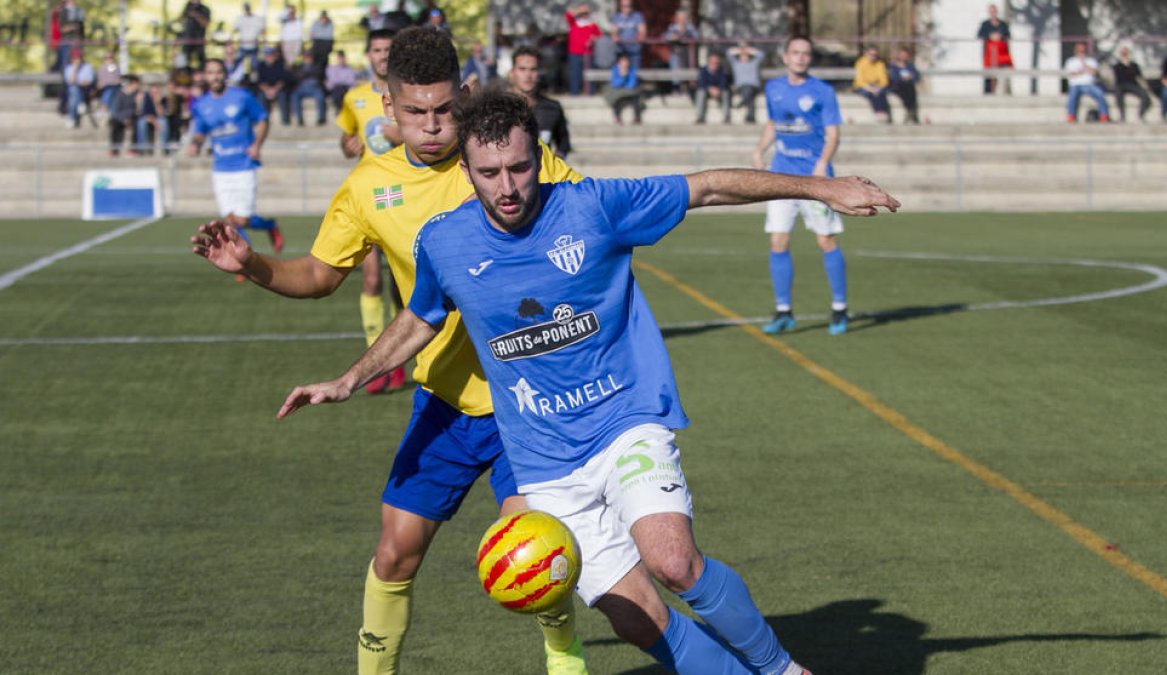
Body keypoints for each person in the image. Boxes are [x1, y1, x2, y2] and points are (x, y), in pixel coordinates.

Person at [277, 89, 899, 675]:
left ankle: (781, 669)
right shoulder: (444, 242)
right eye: (490, 174)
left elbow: (706, 187)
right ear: (466, 173)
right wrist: (349, 379)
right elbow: (420, 318)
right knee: (636, 617)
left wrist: (822, 187)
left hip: (623, 421)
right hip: (544, 463)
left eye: (520, 169)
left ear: (538, 161)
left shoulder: (593, 206)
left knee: (673, 562)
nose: (508, 188)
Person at [190, 27, 590, 675]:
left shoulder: (508, 160)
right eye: (415, 112)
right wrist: (254, 264)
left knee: (533, 548)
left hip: (530, 400)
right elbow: (321, 275)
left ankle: (565, 654)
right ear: (388, 106)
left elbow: (588, 220)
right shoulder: (369, 185)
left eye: (444, 109)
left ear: (464, 95)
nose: (433, 126)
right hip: (446, 399)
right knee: (393, 554)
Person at [753, 35, 848, 336]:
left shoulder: (822, 92)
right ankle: (784, 312)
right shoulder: (774, 88)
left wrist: (822, 163)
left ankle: (839, 308)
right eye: (795, 52)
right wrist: (760, 149)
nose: (800, 58)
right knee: (778, 242)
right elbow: (773, 123)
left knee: (825, 241)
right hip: (780, 175)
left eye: (806, 53)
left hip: (815, 179)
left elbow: (833, 134)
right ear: (785, 57)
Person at [336, 28, 407, 395]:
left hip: (403, 199)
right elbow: (347, 140)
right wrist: (347, 147)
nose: (382, 55)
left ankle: (399, 358)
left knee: (402, 286)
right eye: (377, 49)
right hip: (368, 198)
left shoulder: (406, 94)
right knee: (371, 280)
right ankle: (375, 362)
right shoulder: (355, 97)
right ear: (369, 55)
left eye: (388, 49)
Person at [188, 59, 284, 256]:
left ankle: (270, 226)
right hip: (220, 169)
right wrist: (195, 144)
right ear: (205, 77)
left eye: (218, 72)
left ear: (225, 74)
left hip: (244, 165)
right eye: (210, 72)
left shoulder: (241, 97)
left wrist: (257, 144)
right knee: (230, 221)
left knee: (241, 220)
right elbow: (199, 131)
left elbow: (263, 119)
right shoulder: (202, 104)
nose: (215, 76)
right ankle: (245, 261)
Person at [508, 45, 572, 161]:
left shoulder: (553, 108)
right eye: (522, 69)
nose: (528, 75)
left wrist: (556, 162)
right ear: (512, 73)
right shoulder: (499, 108)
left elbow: (564, 144)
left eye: (533, 69)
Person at [1064, 42, 1109, 123]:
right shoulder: (1071, 61)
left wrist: (1084, 64)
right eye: (1079, 50)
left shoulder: (1091, 60)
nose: (1081, 52)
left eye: (1083, 50)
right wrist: (1082, 71)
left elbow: (1094, 72)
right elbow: (1071, 74)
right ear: (1076, 51)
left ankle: (1104, 115)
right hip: (1075, 84)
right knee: (1072, 97)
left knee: (1100, 93)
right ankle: (1071, 116)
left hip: (1089, 84)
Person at [564, 4, 601, 96]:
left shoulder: (592, 25)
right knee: (575, 75)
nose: (584, 15)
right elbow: (568, 14)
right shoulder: (574, 22)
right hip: (574, 53)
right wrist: (580, 10)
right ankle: (574, 94)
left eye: (586, 13)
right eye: (582, 13)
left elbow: (599, 36)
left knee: (589, 76)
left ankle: (590, 94)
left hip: (588, 54)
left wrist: (593, 39)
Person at [976, 3, 1010, 94]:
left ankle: (1001, 91)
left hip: (1000, 53)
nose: (993, 13)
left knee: (1000, 72)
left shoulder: (1003, 24)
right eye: (991, 11)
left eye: (994, 11)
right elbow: (979, 35)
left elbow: (1007, 35)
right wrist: (990, 36)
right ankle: (988, 92)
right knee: (988, 73)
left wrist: (999, 37)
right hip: (988, 52)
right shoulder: (985, 24)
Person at [663, 9, 699, 95]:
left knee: (689, 72)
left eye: (684, 18)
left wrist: (686, 35)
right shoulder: (673, 27)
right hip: (676, 53)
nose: (682, 20)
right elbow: (665, 36)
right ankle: (677, 89)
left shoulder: (690, 27)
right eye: (681, 18)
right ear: (677, 19)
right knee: (676, 70)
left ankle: (688, 90)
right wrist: (673, 37)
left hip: (688, 54)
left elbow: (697, 36)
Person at [852, 45, 891, 124]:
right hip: (863, 86)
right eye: (871, 54)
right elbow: (859, 80)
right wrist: (869, 88)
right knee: (872, 94)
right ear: (866, 54)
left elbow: (884, 80)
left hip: (876, 85)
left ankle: (883, 113)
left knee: (881, 93)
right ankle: (878, 112)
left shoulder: (880, 64)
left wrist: (878, 87)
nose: (873, 57)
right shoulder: (860, 63)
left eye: (875, 55)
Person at [1112, 45, 1151, 123]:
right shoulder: (1117, 66)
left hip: (1133, 85)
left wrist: (1147, 86)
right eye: (1123, 52)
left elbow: (1140, 77)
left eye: (1126, 52)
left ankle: (1141, 115)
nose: (1125, 54)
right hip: (1121, 85)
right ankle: (1122, 116)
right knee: (1118, 95)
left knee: (1145, 96)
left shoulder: (1134, 65)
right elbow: (1115, 78)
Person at [727, 43, 764, 124]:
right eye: (742, 55)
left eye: (746, 55)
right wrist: (740, 50)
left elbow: (761, 55)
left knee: (749, 91)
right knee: (749, 94)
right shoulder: (736, 64)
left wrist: (749, 50)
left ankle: (743, 102)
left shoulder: (753, 63)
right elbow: (728, 53)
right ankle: (750, 117)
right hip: (741, 87)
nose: (744, 56)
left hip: (754, 86)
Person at [291, 50, 327, 127]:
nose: (308, 58)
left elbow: (319, 74)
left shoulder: (317, 65)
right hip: (302, 87)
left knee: (320, 97)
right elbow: (295, 76)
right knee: (294, 96)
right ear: (304, 58)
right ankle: (299, 119)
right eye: (306, 57)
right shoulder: (299, 66)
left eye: (309, 56)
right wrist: (304, 74)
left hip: (315, 87)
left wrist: (305, 74)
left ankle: (321, 118)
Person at [256, 46, 291, 125]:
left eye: (271, 55)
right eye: (268, 55)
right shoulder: (261, 66)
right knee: (260, 97)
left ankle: (285, 120)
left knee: (282, 95)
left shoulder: (280, 65)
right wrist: (267, 90)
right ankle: (263, 120)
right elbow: (260, 82)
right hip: (266, 89)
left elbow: (282, 81)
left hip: (277, 89)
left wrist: (274, 90)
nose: (270, 57)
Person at [610, 0, 646, 75]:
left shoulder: (637, 16)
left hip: (634, 50)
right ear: (620, 7)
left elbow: (642, 30)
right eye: (624, 6)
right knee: (622, 73)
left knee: (634, 73)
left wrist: (640, 35)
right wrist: (615, 36)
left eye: (628, 6)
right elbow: (614, 32)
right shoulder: (616, 17)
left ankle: (633, 86)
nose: (626, 8)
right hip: (621, 50)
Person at [694, 51, 731, 125]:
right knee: (701, 93)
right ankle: (700, 117)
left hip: (719, 91)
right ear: (709, 62)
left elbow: (724, 82)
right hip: (707, 91)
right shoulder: (703, 70)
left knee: (725, 92)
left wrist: (718, 89)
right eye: (713, 62)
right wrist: (709, 88)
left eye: (716, 62)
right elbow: (701, 83)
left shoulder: (722, 70)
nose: (715, 64)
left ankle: (726, 117)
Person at [107, 75, 139, 157]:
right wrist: (124, 119)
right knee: (115, 123)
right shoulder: (119, 95)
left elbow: (136, 110)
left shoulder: (137, 95)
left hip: (132, 117)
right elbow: (116, 111)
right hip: (120, 118)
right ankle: (115, 149)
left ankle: (133, 149)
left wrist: (138, 102)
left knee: (138, 123)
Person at [887, 47, 921, 124]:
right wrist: (903, 78)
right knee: (905, 89)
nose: (903, 57)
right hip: (897, 87)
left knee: (910, 90)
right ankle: (910, 113)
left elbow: (917, 77)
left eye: (905, 55)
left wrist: (911, 77)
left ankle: (911, 113)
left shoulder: (910, 66)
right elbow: (893, 78)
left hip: (908, 86)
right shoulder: (894, 67)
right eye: (902, 55)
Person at [606, 52, 641, 125]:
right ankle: (617, 117)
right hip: (619, 92)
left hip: (629, 92)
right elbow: (615, 84)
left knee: (636, 100)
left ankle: (637, 118)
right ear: (619, 62)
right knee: (617, 100)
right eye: (623, 61)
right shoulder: (615, 70)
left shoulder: (631, 70)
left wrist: (626, 75)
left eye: (626, 61)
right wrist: (622, 76)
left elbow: (632, 83)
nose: (625, 63)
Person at [62, 48, 94, 129]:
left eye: (78, 58)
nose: (77, 60)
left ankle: (71, 118)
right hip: (73, 91)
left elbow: (89, 81)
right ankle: (80, 104)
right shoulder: (69, 68)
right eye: (75, 58)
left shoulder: (87, 67)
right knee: (74, 89)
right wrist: (75, 69)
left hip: (85, 90)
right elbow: (70, 81)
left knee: (74, 92)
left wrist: (80, 83)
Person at [233, 2, 265, 73]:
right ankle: (237, 77)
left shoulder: (257, 18)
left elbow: (262, 31)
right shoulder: (240, 18)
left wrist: (262, 39)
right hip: (243, 45)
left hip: (253, 46)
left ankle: (253, 80)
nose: (247, 10)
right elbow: (234, 29)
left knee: (255, 66)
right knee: (238, 64)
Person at [180, 0, 211, 71]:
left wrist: (196, 15)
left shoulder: (205, 9)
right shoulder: (188, 6)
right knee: (184, 59)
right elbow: (182, 18)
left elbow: (205, 23)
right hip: (187, 39)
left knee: (201, 59)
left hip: (199, 39)